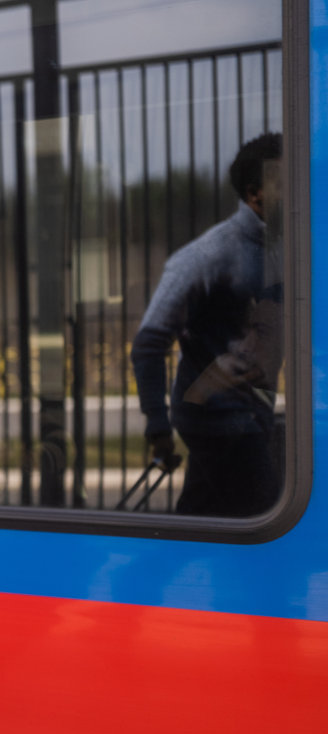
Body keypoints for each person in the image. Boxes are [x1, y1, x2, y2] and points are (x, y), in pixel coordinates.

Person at [129, 132, 284, 517]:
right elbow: (149, 343)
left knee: (199, 517)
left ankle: (144, 575)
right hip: (220, 420)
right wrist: (157, 427)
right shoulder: (207, 256)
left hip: (249, 413)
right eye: (287, 181)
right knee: (268, 519)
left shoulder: (285, 248)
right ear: (255, 194)